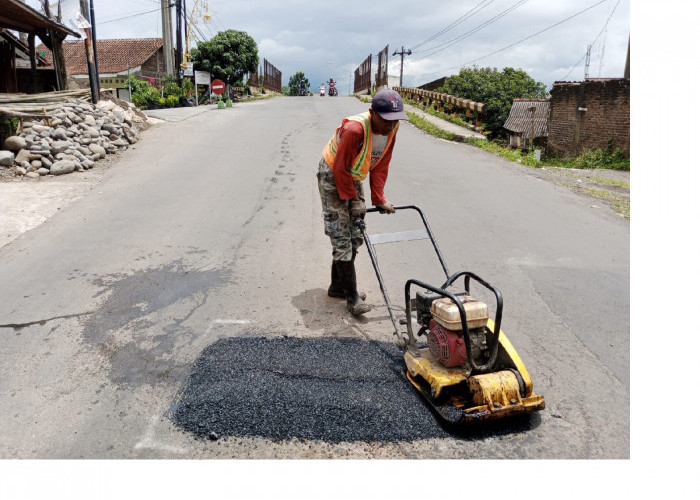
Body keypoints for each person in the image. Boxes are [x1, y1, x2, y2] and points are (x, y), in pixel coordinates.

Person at [317, 89, 409, 316]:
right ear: (372, 113)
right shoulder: (355, 130)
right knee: (341, 234)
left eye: (395, 120)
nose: (390, 125)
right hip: (332, 174)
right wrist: (353, 200)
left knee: (356, 233)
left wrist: (379, 198)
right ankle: (352, 297)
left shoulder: (393, 129)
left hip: (353, 175)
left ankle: (338, 286)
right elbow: (339, 169)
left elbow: (381, 163)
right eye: (386, 120)